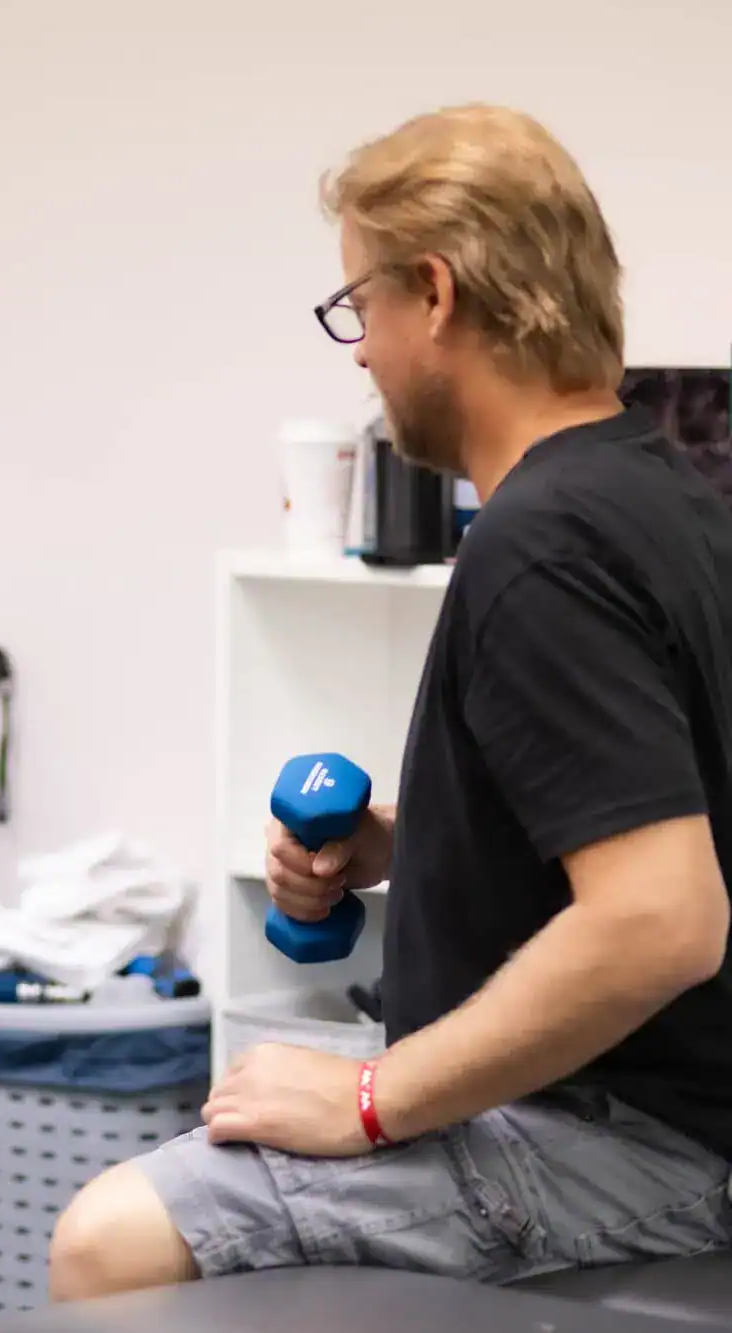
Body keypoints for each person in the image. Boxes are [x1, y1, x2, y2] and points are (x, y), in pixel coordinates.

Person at [49, 104, 732, 1299]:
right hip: (666, 1114)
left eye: (356, 309)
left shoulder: (540, 542)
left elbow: (661, 919)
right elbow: (648, 820)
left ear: (434, 293)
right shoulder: (664, 497)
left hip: (630, 1141)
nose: (357, 352)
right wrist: (402, 850)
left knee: (106, 1239)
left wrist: (367, 1100)